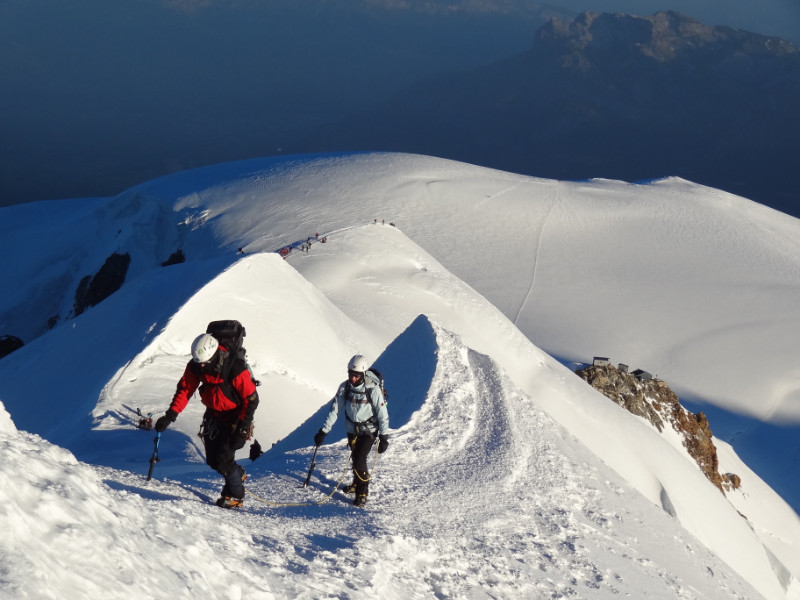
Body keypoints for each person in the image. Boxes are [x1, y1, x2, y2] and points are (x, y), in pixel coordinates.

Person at [154, 333, 260, 509]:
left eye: (205, 362)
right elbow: (185, 389)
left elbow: (251, 399)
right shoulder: (196, 365)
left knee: (224, 459)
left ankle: (235, 495)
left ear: (214, 354)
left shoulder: (234, 367)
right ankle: (237, 473)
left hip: (236, 416)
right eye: (198, 362)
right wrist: (169, 416)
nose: (202, 366)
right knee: (212, 460)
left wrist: (242, 428)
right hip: (214, 414)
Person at [313, 355, 389, 507]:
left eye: (356, 375)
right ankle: (356, 483)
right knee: (355, 457)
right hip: (352, 430)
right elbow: (334, 411)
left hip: (369, 430)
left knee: (360, 458)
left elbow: (382, 414)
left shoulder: (372, 389)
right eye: (351, 374)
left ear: (362, 374)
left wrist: (384, 437)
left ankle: (362, 491)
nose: (353, 378)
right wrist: (324, 431)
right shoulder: (345, 387)